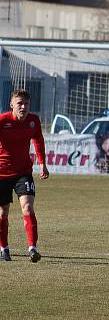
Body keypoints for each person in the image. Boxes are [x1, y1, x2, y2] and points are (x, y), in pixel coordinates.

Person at [0, 89, 49, 262]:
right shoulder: (2, 121)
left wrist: (42, 163)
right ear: (12, 105)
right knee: (3, 212)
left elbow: (38, 140)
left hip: (23, 172)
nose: (23, 107)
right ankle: (4, 248)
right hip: (2, 173)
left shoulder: (33, 121)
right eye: (19, 103)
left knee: (27, 207)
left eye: (26, 103)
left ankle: (32, 248)